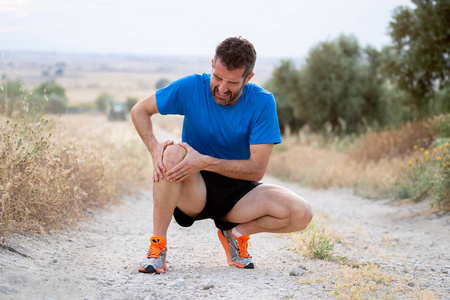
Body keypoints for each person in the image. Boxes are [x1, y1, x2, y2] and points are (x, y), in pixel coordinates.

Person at [131, 37, 313, 274]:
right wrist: (155, 148)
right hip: (194, 189)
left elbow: (257, 168)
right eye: (217, 77)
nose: (222, 88)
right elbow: (140, 110)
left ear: (248, 79)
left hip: (238, 195)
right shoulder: (192, 87)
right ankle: (158, 249)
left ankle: (235, 235)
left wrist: (205, 161)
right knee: (172, 151)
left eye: (232, 82)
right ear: (212, 65)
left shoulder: (262, 102)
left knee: (302, 213)